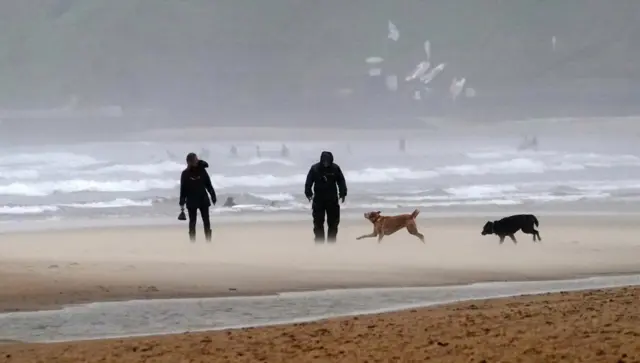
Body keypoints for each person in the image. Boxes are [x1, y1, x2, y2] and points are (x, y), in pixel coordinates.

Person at [304, 151, 347, 243]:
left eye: (328, 161)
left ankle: (331, 243)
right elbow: (308, 182)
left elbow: (341, 181)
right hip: (318, 200)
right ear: (321, 160)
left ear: (331, 161)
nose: (326, 163)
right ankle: (319, 243)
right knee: (318, 223)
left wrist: (343, 193)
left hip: (332, 200)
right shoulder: (315, 169)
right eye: (324, 161)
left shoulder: (335, 168)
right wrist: (308, 193)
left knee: (333, 223)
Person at [179, 153, 217, 242]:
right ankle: (192, 242)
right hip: (191, 201)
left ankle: (208, 241)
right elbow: (183, 189)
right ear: (189, 162)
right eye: (194, 160)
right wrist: (182, 202)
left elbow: (208, 184)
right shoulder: (185, 174)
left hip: (203, 199)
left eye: (196, 159)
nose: (196, 161)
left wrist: (213, 195)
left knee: (206, 222)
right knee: (192, 222)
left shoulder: (202, 171)